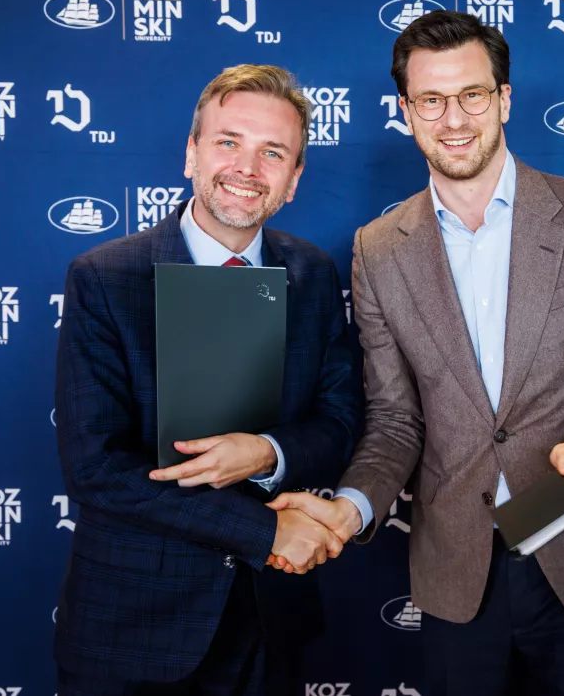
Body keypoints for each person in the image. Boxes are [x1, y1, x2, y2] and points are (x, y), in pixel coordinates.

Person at [267, 11, 564, 695]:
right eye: (431, 100)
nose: (454, 120)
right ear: (406, 112)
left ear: (503, 99)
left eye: (471, 95)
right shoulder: (378, 250)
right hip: (456, 572)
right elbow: (395, 420)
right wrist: (350, 508)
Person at [53, 64, 358, 696]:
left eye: (273, 152)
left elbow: (339, 421)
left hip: (271, 621)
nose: (247, 168)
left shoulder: (313, 274)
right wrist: (266, 531)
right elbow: (95, 466)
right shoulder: (105, 278)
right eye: (228, 142)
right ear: (191, 153)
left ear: (294, 178)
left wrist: (266, 452)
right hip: (136, 627)